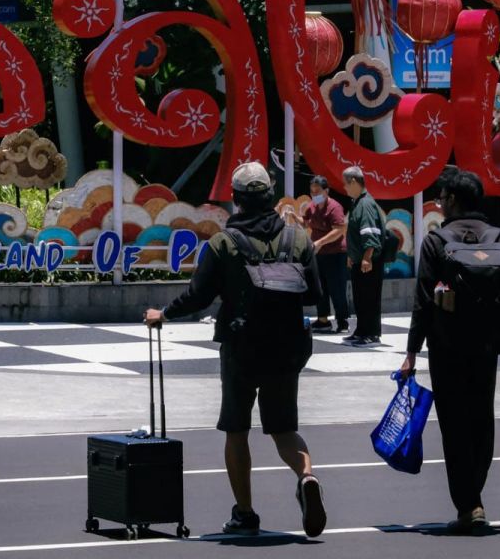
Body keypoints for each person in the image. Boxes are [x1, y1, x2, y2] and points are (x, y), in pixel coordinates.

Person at [145, 162, 327, 539]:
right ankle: (306, 475)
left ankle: (245, 513)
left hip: (242, 347)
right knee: (283, 429)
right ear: (271, 196)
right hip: (287, 346)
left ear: (237, 200)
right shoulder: (298, 239)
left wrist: (163, 313)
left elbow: (199, 295)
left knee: (236, 429)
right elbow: (314, 295)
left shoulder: (223, 243)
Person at [399, 167, 500, 534]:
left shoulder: (437, 241)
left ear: (453, 201)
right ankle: (474, 497)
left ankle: (469, 503)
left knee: (454, 425)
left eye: (442, 196)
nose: (439, 202)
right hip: (487, 347)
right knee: (481, 421)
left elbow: (423, 303)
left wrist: (411, 352)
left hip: (447, 348)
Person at [343, 166, 384, 346]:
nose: (344, 188)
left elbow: (370, 232)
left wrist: (367, 256)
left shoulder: (365, 204)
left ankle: (371, 333)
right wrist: (353, 255)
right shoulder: (358, 202)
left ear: (353, 182)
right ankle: (361, 330)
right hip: (360, 260)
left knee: (369, 297)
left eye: (346, 184)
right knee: (360, 297)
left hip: (369, 261)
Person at [303, 175, 350, 334]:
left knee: (336, 287)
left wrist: (320, 242)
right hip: (318, 253)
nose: (314, 194)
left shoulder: (335, 207)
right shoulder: (313, 205)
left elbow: (339, 230)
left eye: (317, 191)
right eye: (312, 191)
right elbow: (305, 221)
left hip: (335, 253)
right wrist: (292, 216)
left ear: (326, 191)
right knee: (320, 287)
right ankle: (322, 320)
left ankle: (342, 321)